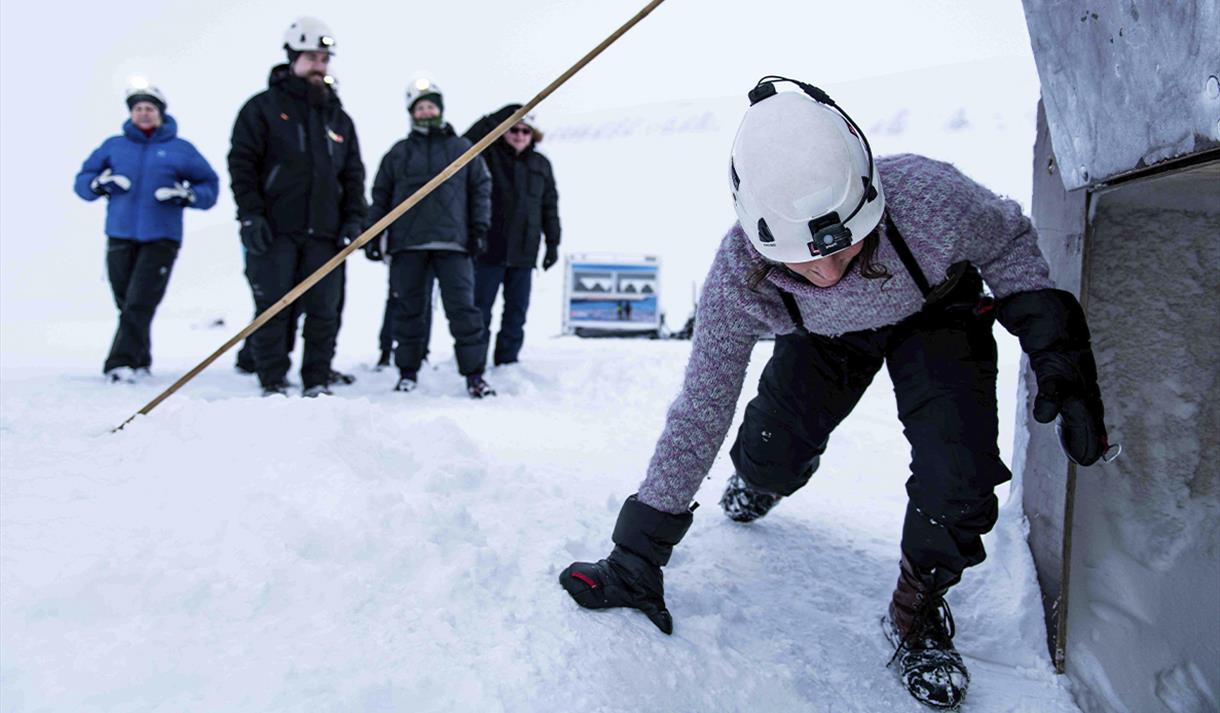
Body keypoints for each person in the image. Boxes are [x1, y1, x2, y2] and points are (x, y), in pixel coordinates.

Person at [558, 79, 1112, 711]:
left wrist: (1056, 346)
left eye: (840, 247)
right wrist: (638, 551)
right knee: (772, 449)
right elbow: (702, 404)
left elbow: (1008, 241)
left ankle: (917, 609)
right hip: (821, 339)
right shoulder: (741, 273)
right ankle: (763, 478)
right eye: (799, 263)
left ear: (869, 196)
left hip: (936, 316)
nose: (825, 272)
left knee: (958, 473)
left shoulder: (931, 198)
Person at [227, 17, 366, 398]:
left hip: (326, 233)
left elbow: (353, 176)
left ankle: (316, 380)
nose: (319, 65)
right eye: (311, 57)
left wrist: (355, 218)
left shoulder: (339, 119)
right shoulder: (262, 109)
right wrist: (251, 214)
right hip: (275, 230)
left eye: (324, 58)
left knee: (325, 310)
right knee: (274, 307)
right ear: (292, 57)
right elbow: (242, 165)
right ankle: (273, 380)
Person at [73, 83, 219, 383]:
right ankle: (140, 359)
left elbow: (209, 186)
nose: (143, 114)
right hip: (120, 233)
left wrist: (186, 195)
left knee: (140, 300)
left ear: (160, 114)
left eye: (149, 109)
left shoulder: (181, 149)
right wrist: (100, 184)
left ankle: (119, 362)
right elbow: (83, 180)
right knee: (126, 301)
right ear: (130, 114)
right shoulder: (114, 146)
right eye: (138, 109)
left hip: (161, 237)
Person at [364, 78, 495, 398]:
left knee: (463, 311)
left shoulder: (462, 148)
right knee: (408, 311)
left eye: (431, 105)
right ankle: (407, 372)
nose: (426, 111)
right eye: (420, 107)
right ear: (412, 113)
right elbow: (380, 195)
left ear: (440, 108)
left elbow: (481, 189)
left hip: (454, 244)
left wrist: (479, 229)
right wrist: (372, 233)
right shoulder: (399, 152)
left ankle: (474, 375)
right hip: (408, 245)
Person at [463, 104, 561, 366]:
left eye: (525, 131)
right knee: (480, 310)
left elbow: (549, 206)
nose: (519, 135)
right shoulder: (488, 155)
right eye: (513, 129)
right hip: (489, 248)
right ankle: (475, 363)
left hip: (524, 252)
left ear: (533, 135)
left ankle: (507, 362)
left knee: (516, 313)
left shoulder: (541, 164)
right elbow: (465, 143)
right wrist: (497, 118)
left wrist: (553, 243)